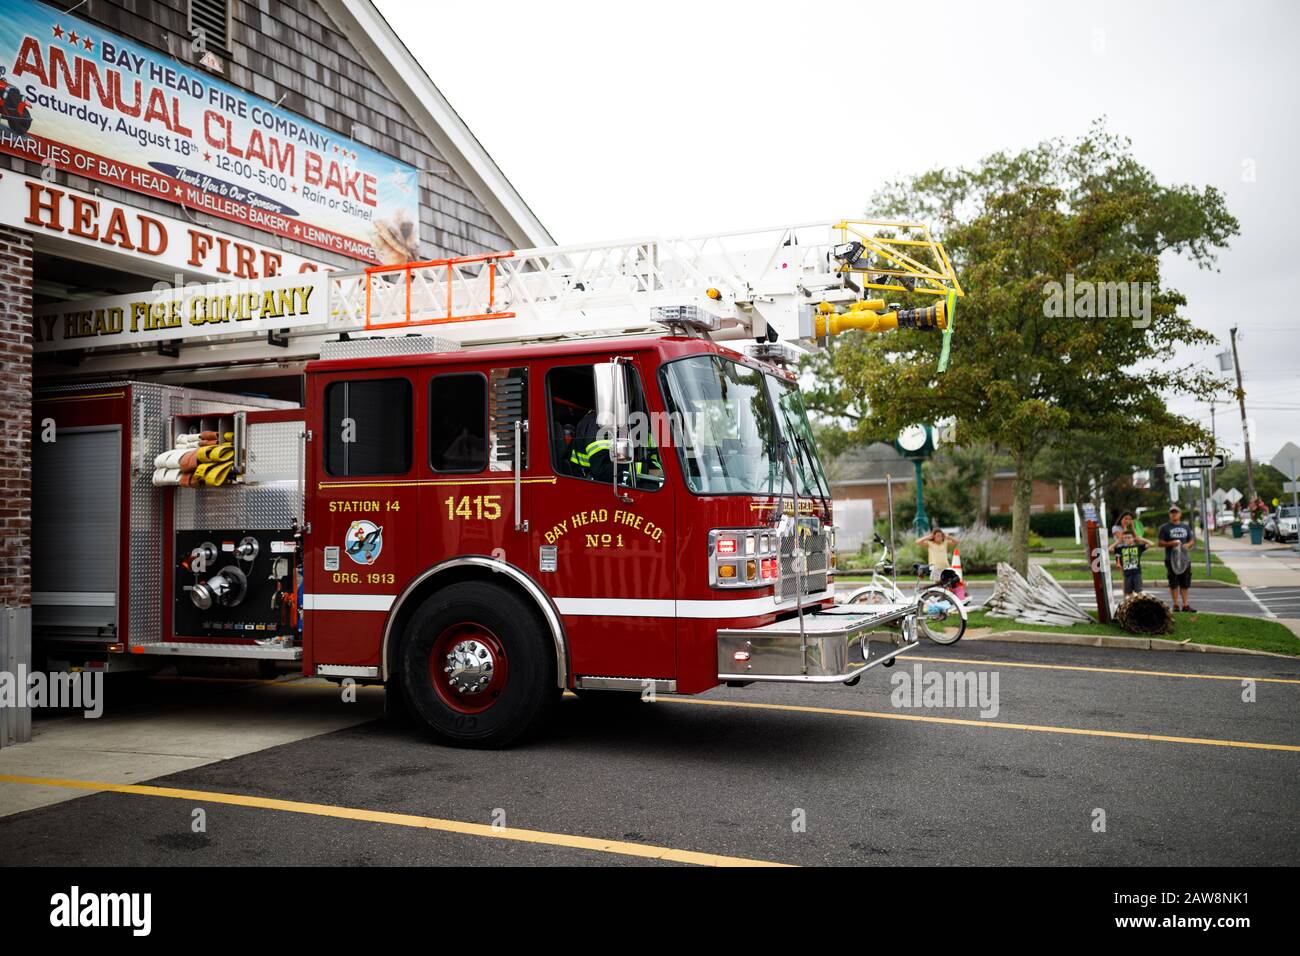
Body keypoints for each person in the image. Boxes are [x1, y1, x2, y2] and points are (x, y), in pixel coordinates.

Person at [1157, 504, 1196, 612]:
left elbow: (1192, 540)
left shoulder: (1186, 527)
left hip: (1184, 559)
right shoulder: (1164, 527)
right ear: (1170, 514)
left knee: (1185, 582)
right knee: (1173, 582)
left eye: (1176, 512)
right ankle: (1175, 605)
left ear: (1180, 514)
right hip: (1171, 559)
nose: (1174, 514)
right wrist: (1171, 543)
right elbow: (1160, 543)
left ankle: (1185, 605)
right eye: (1172, 512)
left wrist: (1188, 545)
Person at [1109, 527, 1150, 596]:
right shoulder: (1121, 548)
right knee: (1128, 593)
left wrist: (1140, 539)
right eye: (1125, 538)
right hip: (1127, 573)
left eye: (1129, 537)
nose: (1127, 539)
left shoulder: (1138, 547)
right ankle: (1131, 605)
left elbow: (1151, 543)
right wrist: (1118, 542)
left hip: (1136, 572)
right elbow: (1109, 549)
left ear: (1133, 538)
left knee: (1138, 591)